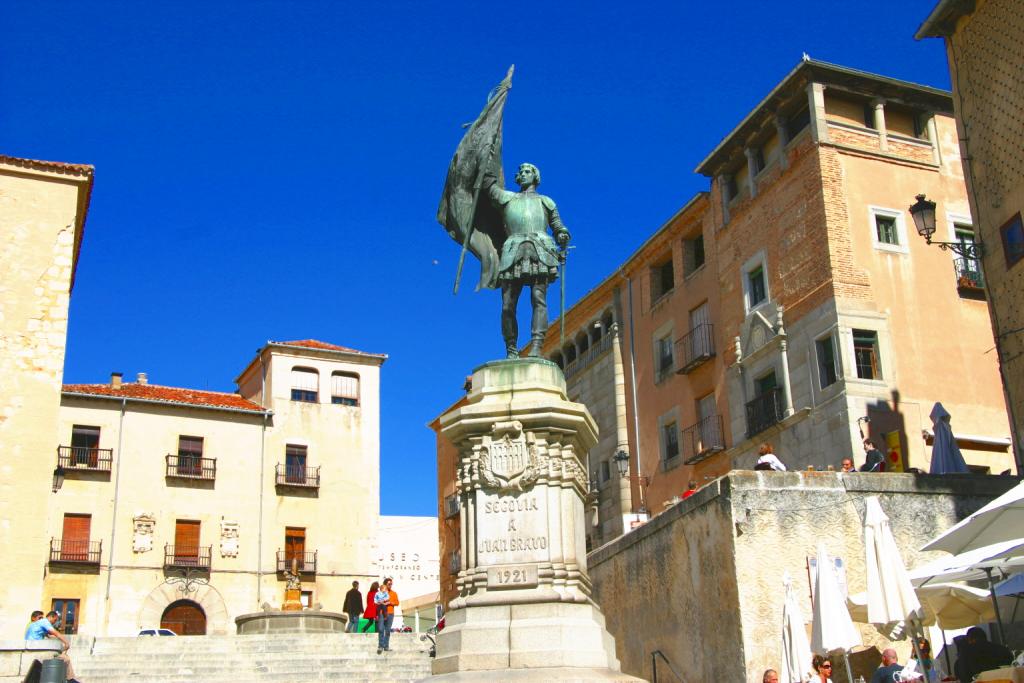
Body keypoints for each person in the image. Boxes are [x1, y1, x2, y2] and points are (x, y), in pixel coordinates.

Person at [483, 163, 571, 358]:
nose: (523, 174)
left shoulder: (546, 202)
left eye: (528, 172)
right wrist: (486, 154)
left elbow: (558, 227)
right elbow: (487, 185)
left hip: (540, 249)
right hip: (512, 250)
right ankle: (511, 348)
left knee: (538, 300)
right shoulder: (507, 198)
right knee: (507, 305)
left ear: (535, 176)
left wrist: (563, 235)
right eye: (521, 172)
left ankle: (537, 345)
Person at [25, 610, 80, 683]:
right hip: (36, 648)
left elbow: (50, 636)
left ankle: (69, 679)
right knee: (65, 658)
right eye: (55, 620)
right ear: (51, 617)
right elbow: (55, 633)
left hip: (34, 646)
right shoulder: (45, 622)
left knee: (63, 657)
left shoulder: (37, 623)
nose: (55, 622)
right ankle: (70, 679)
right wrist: (66, 643)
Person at [374, 577, 399, 654]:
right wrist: (380, 602)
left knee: (387, 630)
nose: (390, 585)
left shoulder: (394, 593)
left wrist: (390, 602)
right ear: (385, 584)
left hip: (390, 613)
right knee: (381, 629)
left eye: (391, 584)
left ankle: (386, 646)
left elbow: (397, 603)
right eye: (389, 584)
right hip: (381, 612)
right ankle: (380, 646)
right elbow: (375, 602)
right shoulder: (380, 593)